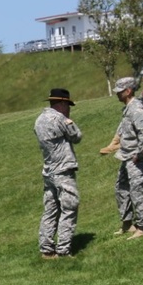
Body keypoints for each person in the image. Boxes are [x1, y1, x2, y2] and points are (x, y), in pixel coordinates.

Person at [34, 88, 82, 259]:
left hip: (48, 171)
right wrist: (69, 121)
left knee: (50, 210)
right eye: (68, 105)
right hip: (63, 171)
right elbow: (77, 136)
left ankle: (46, 249)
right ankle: (63, 249)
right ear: (62, 103)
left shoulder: (39, 120)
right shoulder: (60, 118)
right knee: (69, 207)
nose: (69, 108)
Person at [112, 77, 143, 239]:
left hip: (137, 157)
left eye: (120, 91)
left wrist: (140, 153)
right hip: (127, 155)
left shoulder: (136, 109)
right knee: (121, 187)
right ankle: (128, 223)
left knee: (137, 190)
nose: (117, 94)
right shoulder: (128, 108)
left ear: (128, 91)